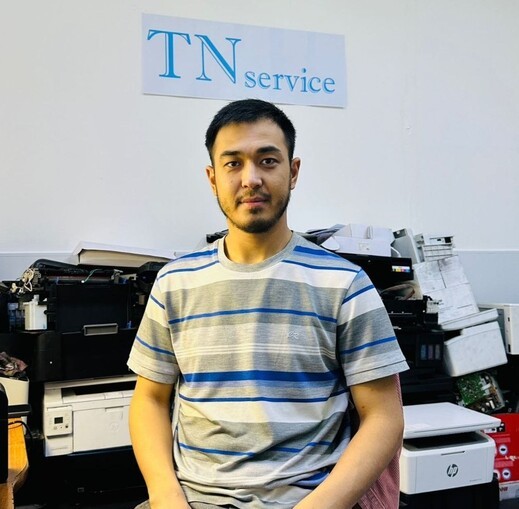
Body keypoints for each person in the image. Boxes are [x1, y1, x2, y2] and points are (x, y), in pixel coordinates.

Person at [128, 98, 409, 509]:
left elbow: (384, 418)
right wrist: (165, 496)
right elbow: (150, 399)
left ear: (293, 172)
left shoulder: (344, 284)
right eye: (233, 163)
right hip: (193, 500)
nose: (251, 178)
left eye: (268, 161)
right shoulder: (175, 283)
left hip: (308, 500)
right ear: (212, 178)